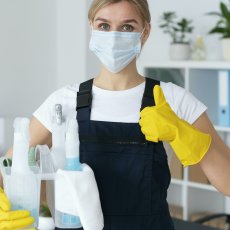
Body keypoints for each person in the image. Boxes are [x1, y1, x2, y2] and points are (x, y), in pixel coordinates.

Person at [1, 0, 230, 229]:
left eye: (127, 27)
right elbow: (9, 167)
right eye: (104, 26)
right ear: (91, 26)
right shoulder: (63, 102)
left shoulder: (172, 99)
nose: (114, 36)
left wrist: (183, 133)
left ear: (145, 32)